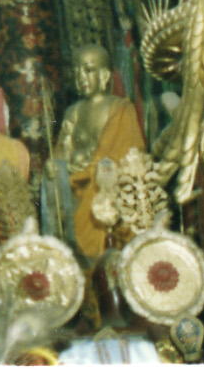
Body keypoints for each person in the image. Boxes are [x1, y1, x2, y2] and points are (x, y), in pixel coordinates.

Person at [43, 44, 144, 263]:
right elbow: (62, 152)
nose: (81, 77)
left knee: (94, 215)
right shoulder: (74, 111)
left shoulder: (120, 109)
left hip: (101, 191)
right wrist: (54, 166)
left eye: (88, 70)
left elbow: (122, 157)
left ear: (105, 75)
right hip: (73, 189)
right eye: (76, 71)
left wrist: (88, 171)